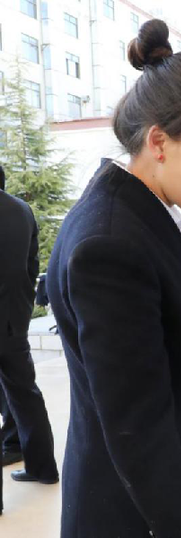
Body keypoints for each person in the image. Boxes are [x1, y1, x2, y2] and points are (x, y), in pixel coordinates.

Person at [46, 19, 181, 537]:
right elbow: (140, 433)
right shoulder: (112, 245)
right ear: (159, 141)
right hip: (138, 514)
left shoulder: (143, 216)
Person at [0, 163, 60, 501]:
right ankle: (43, 468)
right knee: (26, 394)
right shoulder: (21, 210)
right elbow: (32, 265)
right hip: (14, 320)